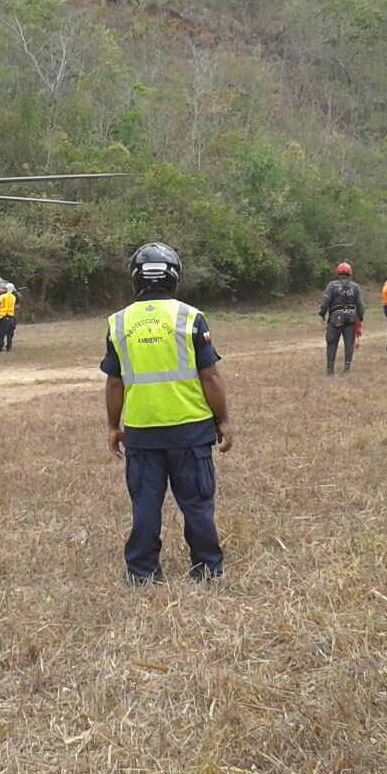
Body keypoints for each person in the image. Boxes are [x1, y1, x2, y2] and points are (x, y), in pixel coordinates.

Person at [102, 243, 232, 585]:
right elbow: (210, 376)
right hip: (191, 432)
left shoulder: (118, 323)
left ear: (135, 278)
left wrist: (113, 426)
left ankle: (142, 573)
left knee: (145, 506)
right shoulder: (190, 317)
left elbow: (114, 384)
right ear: (174, 276)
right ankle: (207, 570)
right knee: (197, 505)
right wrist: (223, 420)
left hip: (142, 432)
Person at [318, 262, 366, 375]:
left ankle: (330, 371)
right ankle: (347, 370)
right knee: (349, 344)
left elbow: (325, 303)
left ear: (337, 272)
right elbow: (360, 305)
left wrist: (322, 314)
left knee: (331, 343)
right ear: (349, 273)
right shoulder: (355, 287)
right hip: (350, 319)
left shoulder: (332, 285)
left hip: (335, 319)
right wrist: (360, 317)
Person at [0, 283, 18, 352]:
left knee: (0, 333)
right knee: (10, 334)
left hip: (4, 317)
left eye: (4, 288)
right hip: (12, 318)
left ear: (7, 289)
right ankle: (9, 348)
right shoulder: (13, 297)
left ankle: (1, 348)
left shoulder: (4, 296)